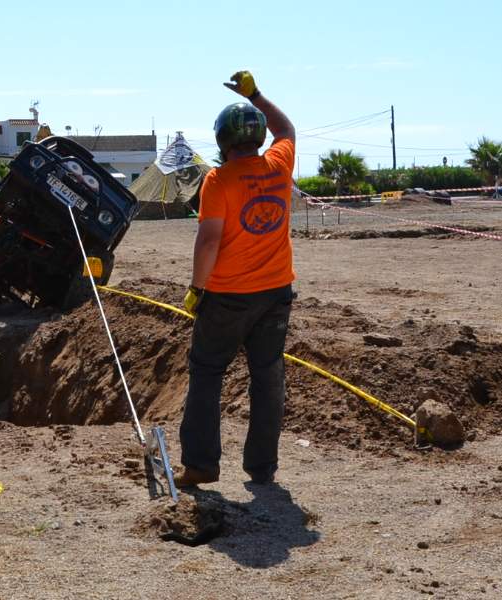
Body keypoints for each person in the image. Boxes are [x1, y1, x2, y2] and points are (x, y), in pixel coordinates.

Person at [174, 71, 296, 488]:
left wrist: (197, 289)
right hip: (276, 294)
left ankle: (201, 465)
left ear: (223, 140)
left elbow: (209, 241)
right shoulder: (279, 165)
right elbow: (287, 128)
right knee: (268, 376)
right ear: (257, 137)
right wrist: (257, 95)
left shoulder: (218, 180)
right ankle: (262, 469)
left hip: (227, 296)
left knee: (207, 373)